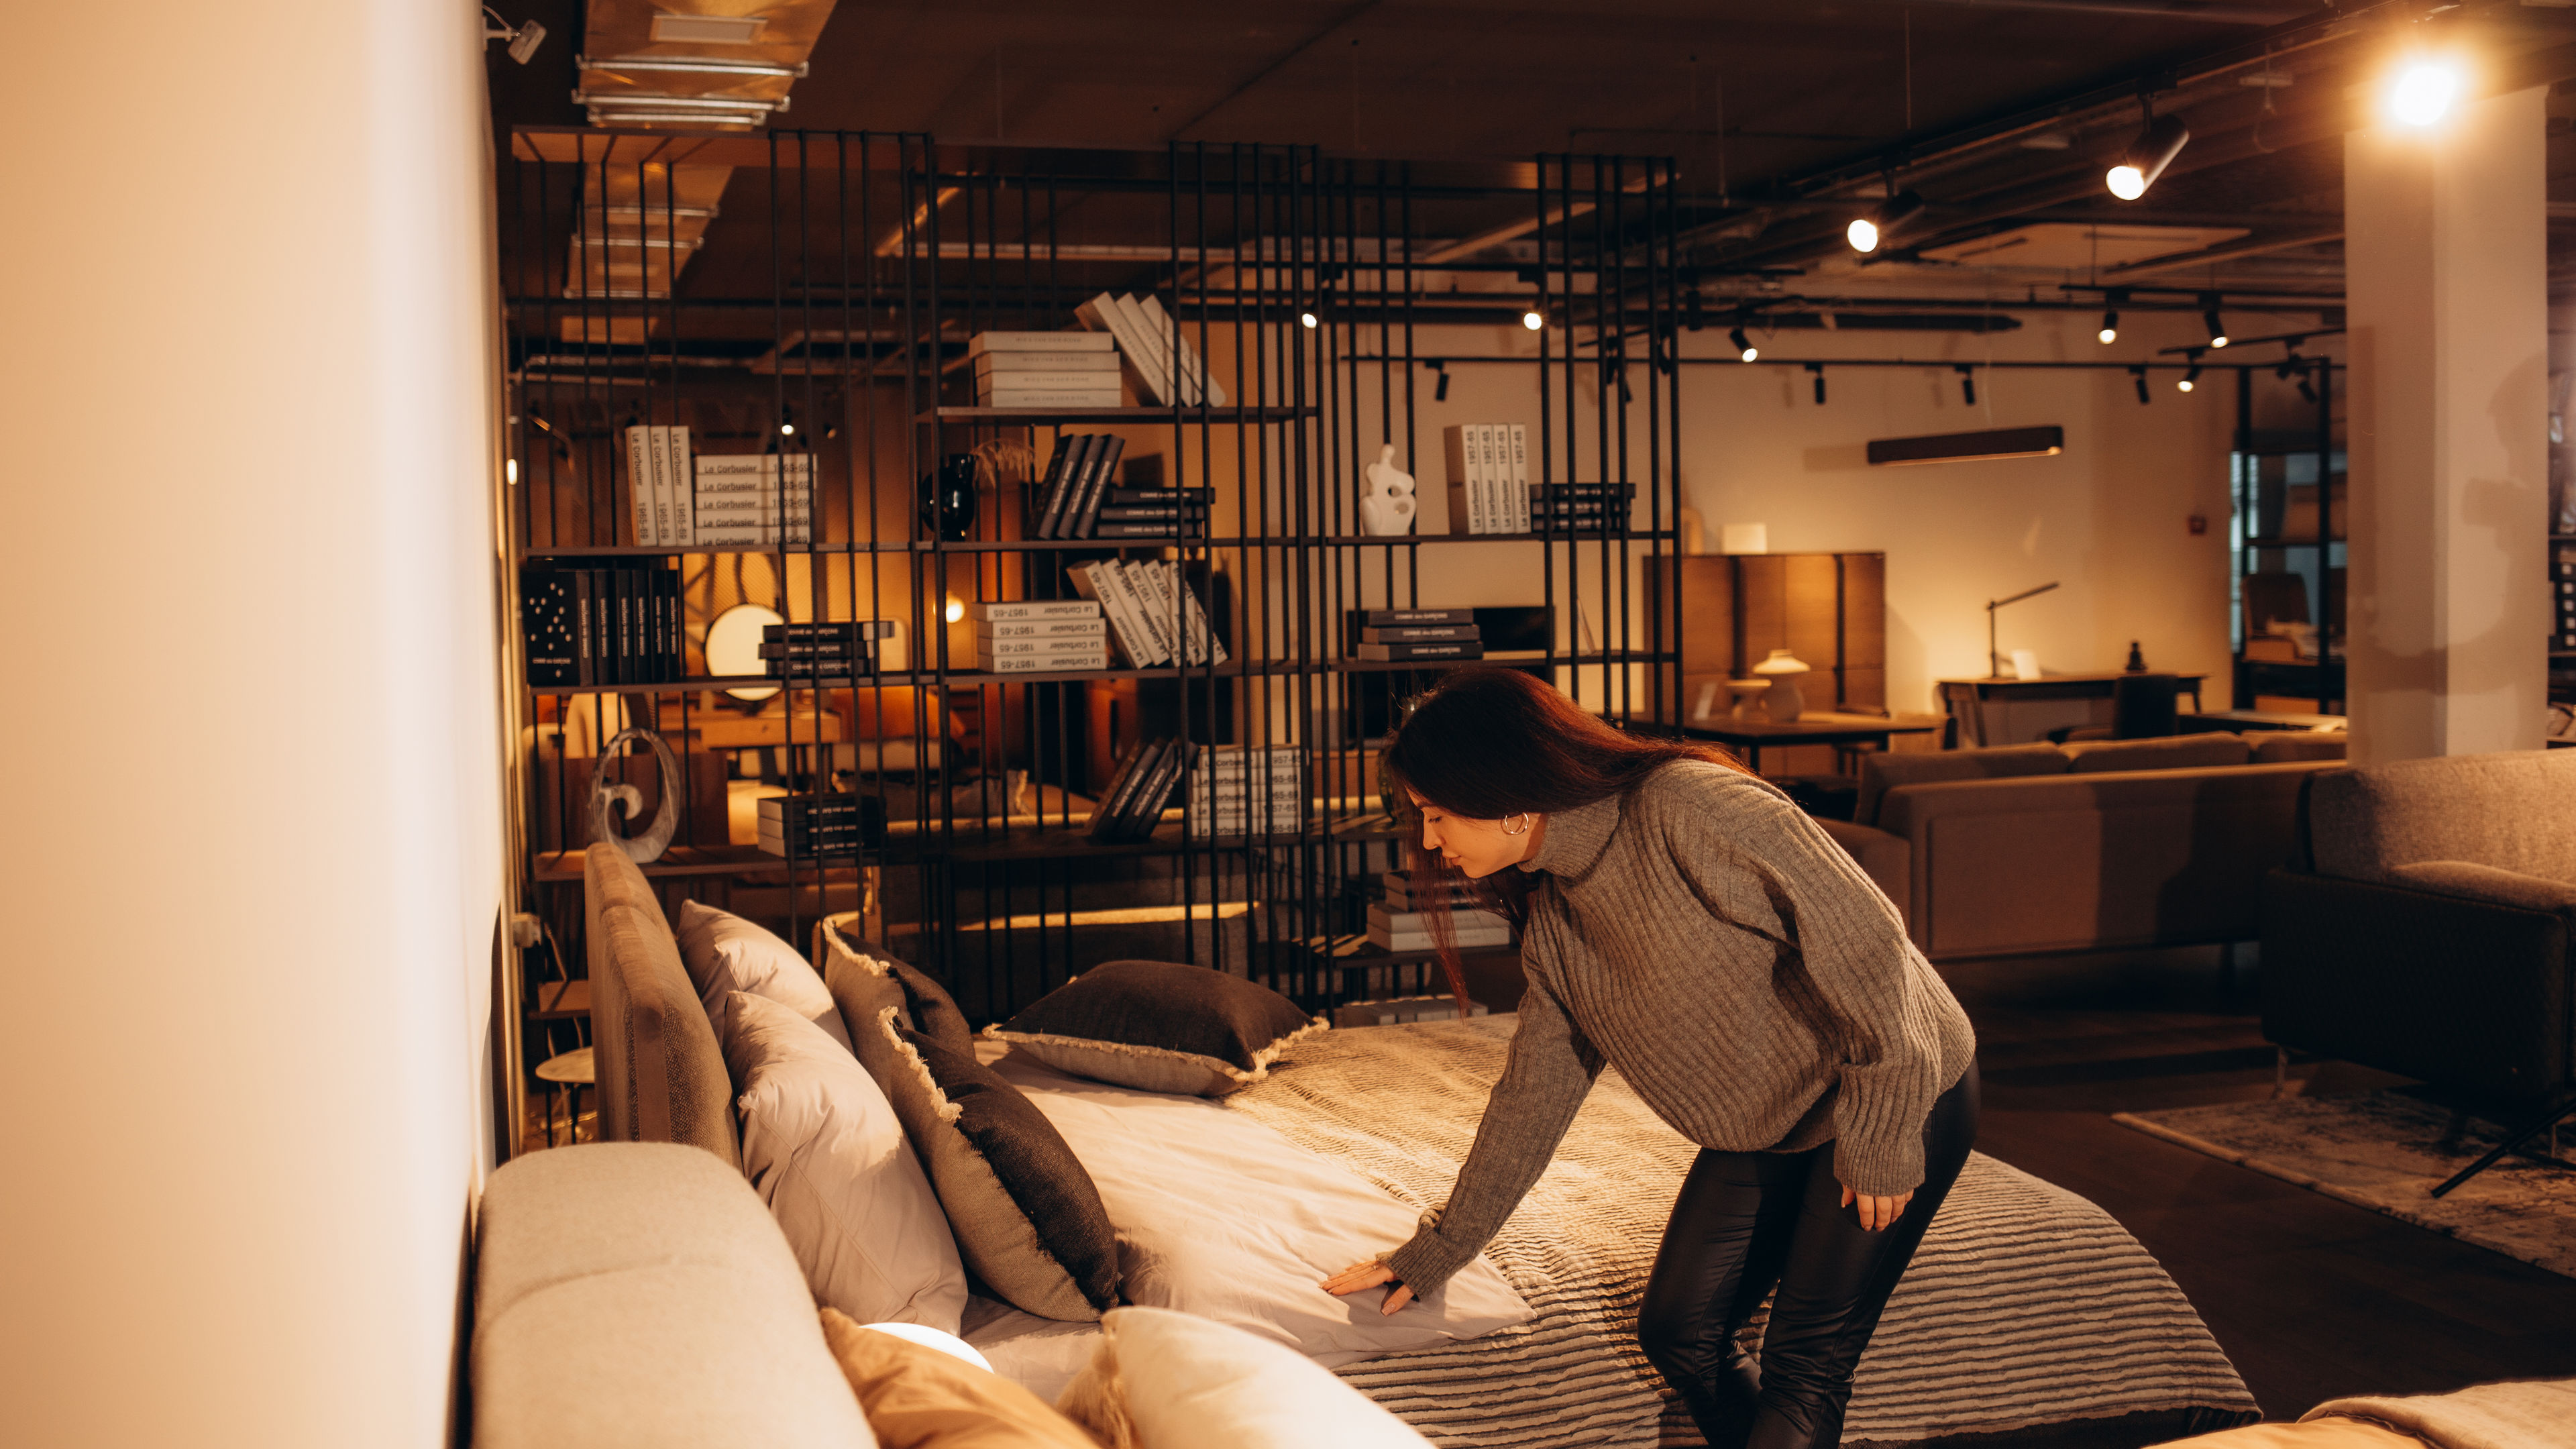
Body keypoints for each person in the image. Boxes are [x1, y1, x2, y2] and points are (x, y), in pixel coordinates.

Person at [1322, 667, 1978, 1449]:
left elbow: (1867, 938)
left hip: (1894, 1083)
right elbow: (1531, 1097)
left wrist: (1883, 1130)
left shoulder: (1686, 804)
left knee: (1804, 1368)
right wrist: (1439, 1249)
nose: (1429, 840)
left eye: (1436, 814)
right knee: (1679, 1330)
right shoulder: (1559, 919)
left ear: (1502, 795)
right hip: (1772, 1121)